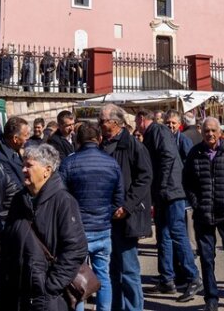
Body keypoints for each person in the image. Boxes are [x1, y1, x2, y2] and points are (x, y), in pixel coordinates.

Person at [0, 144, 88, 311]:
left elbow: (76, 249)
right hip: (17, 293)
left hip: (46, 297)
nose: (23, 170)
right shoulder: (19, 200)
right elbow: (8, 241)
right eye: (23, 165)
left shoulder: (63, 201)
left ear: (47, 170)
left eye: (29, 165)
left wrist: (50, 286)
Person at [183, 118, 224, 311]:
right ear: (202, 132)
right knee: (206, 257)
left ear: (220, 132)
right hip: (203, 214)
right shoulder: (195, 153)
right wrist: (196, 203)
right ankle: (211, 298)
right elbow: (187, 181)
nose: (210, 134)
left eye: (213, 130)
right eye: (206, 131)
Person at [59, 121, 122, 311]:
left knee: (77, 276)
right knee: (103, 275)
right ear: (99, 139)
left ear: (78, 140)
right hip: (103, 227)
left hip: (77, 229)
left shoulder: (69, 163)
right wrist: (107, 213)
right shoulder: (111, 163)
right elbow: (119, 197)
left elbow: (61, 196)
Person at [100, 104, 152, 311]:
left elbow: (145, 177)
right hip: (107, 216)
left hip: (126, 216)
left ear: (116, 122)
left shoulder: (133, 145)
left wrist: (127, 206)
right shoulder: (102, 145)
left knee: (128, 269)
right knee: (112, 268)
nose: (99, 124)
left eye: (103, 120)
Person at [141, 109, 198, 299]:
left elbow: (170, 158)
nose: (170, 125)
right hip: (164, 192)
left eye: (173, 122)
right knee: (164, 235)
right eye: (168, 122)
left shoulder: (160, 133)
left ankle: (193, 276)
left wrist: (163, 184)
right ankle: (167, 279)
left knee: (177, 233)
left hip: (172, 191)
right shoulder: (160, 133)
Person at [0, 117, 31, 228]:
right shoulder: (0, 157)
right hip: (10, 217)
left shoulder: (13, 151)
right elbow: (16, 187)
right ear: (15, 139)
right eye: (26, 135)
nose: (28, 139)